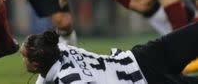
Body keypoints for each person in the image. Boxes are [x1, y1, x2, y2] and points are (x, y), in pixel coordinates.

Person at [20, 22, 198, 83]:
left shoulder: (69, 78)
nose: (22, 60)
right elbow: (45, 75)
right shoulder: (60, 49)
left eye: (23, 57)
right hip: (143, 57)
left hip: (143, 78)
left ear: (35, 65)